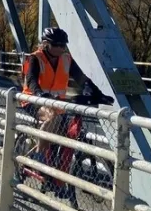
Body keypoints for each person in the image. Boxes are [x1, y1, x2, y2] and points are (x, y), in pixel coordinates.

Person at [21, 27, 101, 160]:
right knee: (52, 118)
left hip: (57, 102)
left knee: (62, 132)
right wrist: (39, 93)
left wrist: (93, 90)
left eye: (62, 45)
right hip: (33, 99)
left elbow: (80, 77)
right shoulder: (35, 58)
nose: (59, 48)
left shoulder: (66, 59)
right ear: (45, 44)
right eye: (55, 45)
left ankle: (53, 163)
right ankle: (39, 157)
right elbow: (31, 79)